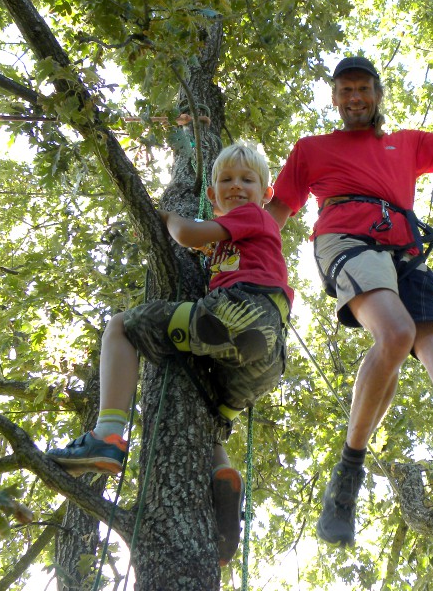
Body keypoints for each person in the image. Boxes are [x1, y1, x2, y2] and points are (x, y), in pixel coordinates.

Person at [266, 40, 433, 556]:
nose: (354, 97)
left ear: (377, 95)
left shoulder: (406, 144)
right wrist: (237, 251)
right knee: (395, 332)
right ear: (335, 100)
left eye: (363, 88)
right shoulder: (311, 150)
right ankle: (349, 472)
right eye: (345, 90)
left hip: (404, 253)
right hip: (345, 238)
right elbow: (274, 214)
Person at [47, 143, 293, 566]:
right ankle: (221, 475)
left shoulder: (253, 217)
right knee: (209, 412)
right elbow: (209, 248)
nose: (237, 186)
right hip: (266, 356)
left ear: (266, 194)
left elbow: (188, 235)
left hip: (245, 313)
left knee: (121, 326)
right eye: (227, 180)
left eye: (247, 180)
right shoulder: (237, 239)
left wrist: (167, 219)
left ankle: (106, 435)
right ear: (213, 194)